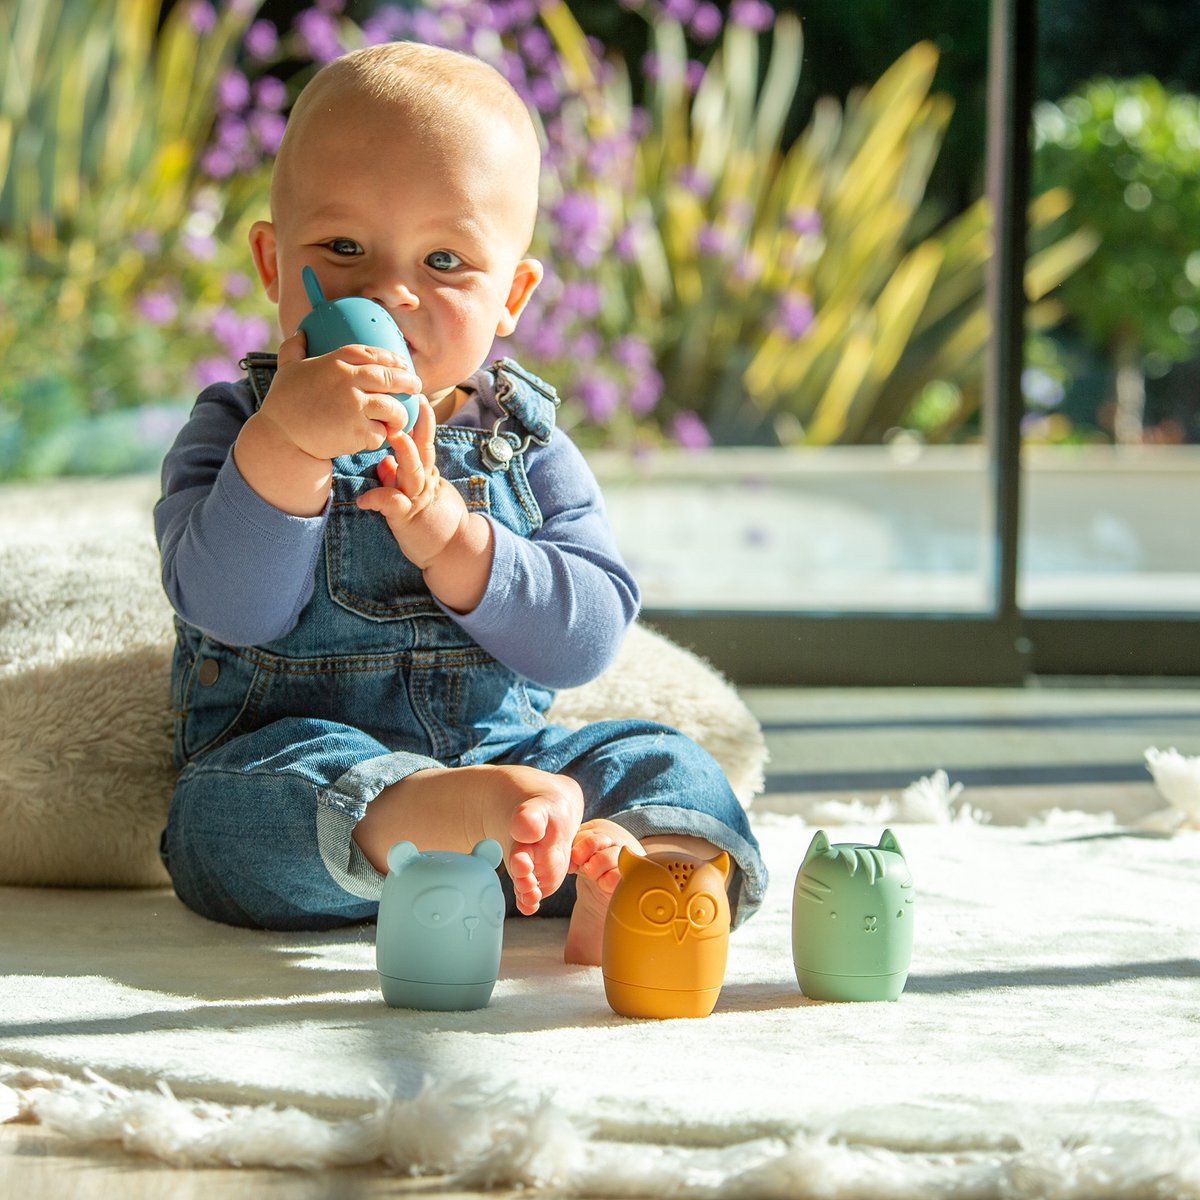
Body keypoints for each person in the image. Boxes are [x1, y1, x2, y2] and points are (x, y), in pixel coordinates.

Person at [154, 40, 766, 964]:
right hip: (310, 779)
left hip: (510, 773)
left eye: (444, 259)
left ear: (511, 294)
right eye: (344, 248)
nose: (388, 293)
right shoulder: (236, 425)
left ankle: (643, 874)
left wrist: (456, 541)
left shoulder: (528, 446)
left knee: (664, 762)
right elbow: (227, 608)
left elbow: (584, 640)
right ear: (274, 264)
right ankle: (430, 815)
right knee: (220, 819)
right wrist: (288, 446)